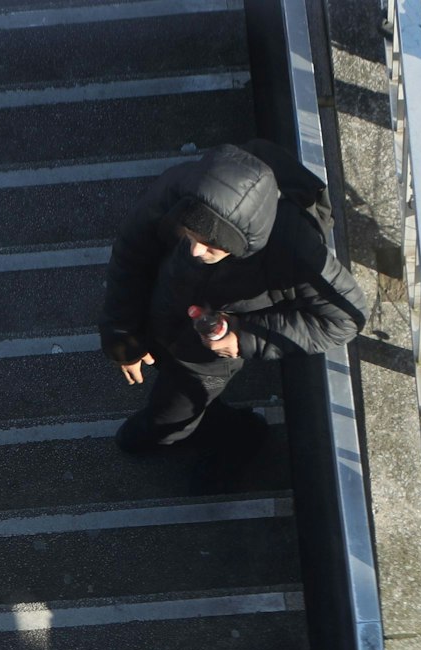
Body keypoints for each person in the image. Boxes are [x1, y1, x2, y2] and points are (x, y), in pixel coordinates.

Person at [99, 141, 364, 457]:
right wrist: (121, 334)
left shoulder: (294, 248)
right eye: (190, 234)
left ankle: (191, 441)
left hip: (207, 360)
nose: (195, 251)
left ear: (245, 245)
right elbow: (131, 254)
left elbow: (346, 319)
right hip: (161, 308)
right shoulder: (182, 188)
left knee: (168, 421)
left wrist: (243, 336)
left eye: (212, 245)